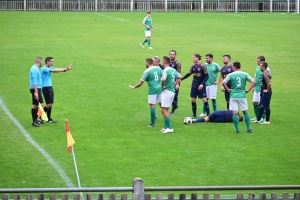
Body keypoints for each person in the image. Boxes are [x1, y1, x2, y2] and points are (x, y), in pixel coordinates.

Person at [222, 61, 256, 134]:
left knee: (234, 113)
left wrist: (228, 89)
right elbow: (254, 82)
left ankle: (237, 130)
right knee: (245, 112)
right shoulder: (245, 74)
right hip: (242, 95)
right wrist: (248, 90)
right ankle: (249, 129)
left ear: (234, 67)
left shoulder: (230, 75)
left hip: (233, 95)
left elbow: (223, 82)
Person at [129, 58, 162, 127]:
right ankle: (166, 119)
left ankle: (152, 123)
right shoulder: (158, 68)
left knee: (152, 105)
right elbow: (161, 77)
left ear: (147, 63)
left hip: (152, 90)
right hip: (159, 88)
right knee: (162, 104)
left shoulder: (146, 71)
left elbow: (141, 83)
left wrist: (134, 87)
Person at [41, 57, 72, 123]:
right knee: (48, 104)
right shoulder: (44, 69)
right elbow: (54, 71)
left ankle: (49, 119)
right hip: (46, 88)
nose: (53, 62)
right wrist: (64, 69)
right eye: (51, 61)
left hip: (50, 87)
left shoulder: (49, 68)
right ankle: (40, 117)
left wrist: (66, 69)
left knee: (50, 104)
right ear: (47, 62)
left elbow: (57, 69)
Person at [181, 53, 210, 118]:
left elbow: (207, 76)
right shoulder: (193, 66)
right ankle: (194, 115)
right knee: (193, 99)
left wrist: (202, 84)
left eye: (193, 57)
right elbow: (189, 74)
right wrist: (181, 79)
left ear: (197, 58)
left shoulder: (203, 66)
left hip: (201, 86)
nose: (192, 59)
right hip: (194, 85)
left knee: (205, 100)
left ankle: (208, 115)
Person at [160, 56, 181, 133]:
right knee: (165, 110)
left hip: (167, 92)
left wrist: (162, 86)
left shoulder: (165, 70)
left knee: (164, 110)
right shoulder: (173, 70)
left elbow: (163, 79)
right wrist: (174, 84)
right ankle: (166, 126)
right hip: (172, 92)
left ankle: (170, 127)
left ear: (164, 62)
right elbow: (179, 77)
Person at [251, 56, 271, 122]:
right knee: (254, 102)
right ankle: (257, 117)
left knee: (262, 104)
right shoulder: (257, 68)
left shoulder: (267, 70)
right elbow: (255, 77)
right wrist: (253, 87)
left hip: (261, 89)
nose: (257, 63)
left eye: (258, 61)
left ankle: (263, 117)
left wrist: (267, 90)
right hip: (256, 88)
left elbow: (268, 81)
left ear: (262, 61)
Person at [29, 56, 43, 127]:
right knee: (38, 104)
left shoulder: (35, 68)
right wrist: (36, 92)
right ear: (40, 61)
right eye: (42, 62)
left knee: (36, 104)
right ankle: (35, 121)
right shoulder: (34, 69)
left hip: (37, 89)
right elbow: (34, 81)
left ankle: (35, 120)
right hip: (36, 89)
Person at [169, 50, 182, 115]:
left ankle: (173, 110)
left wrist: (177, 84)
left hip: (175, 81)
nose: (172, 55)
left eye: (173, 54)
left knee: (175, 96)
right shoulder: (168, 62)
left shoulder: (177, 63)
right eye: (171, 54)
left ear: (175, 55)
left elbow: (179, 73)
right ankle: (175, 105)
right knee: (169, 95)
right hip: (169, 81)